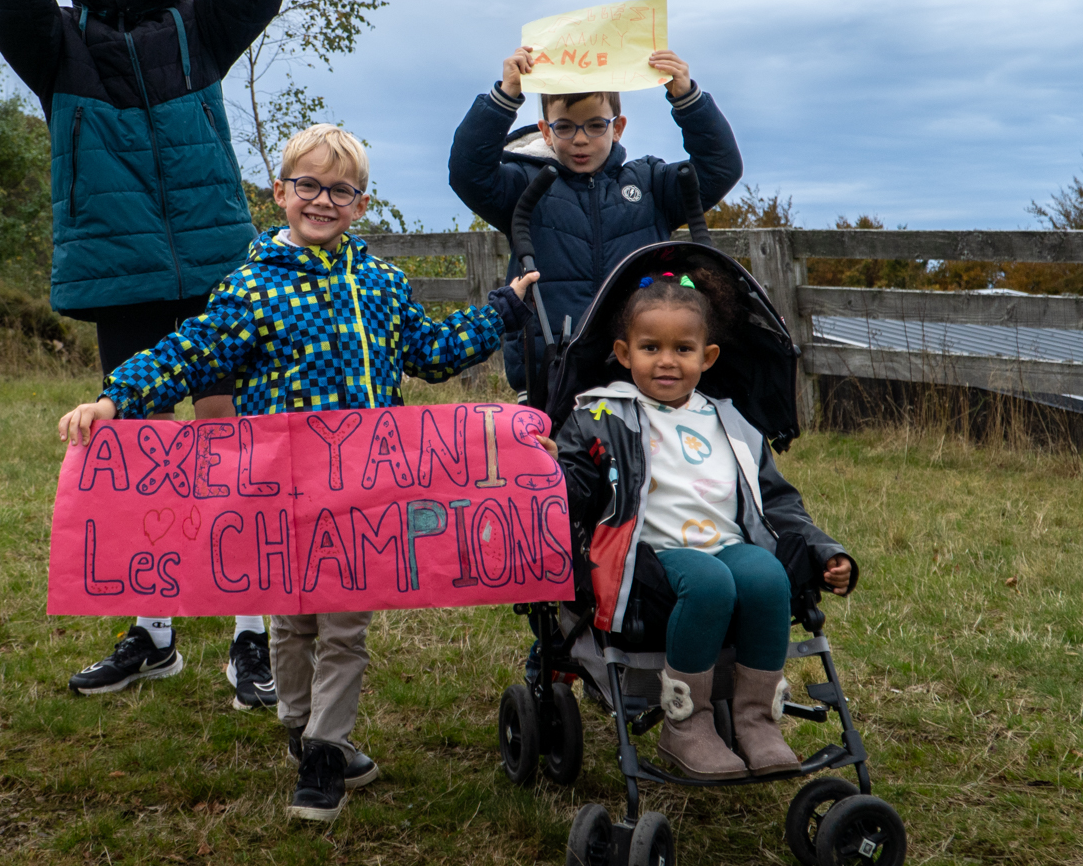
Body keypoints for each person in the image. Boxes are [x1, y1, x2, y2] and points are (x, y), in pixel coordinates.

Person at [57, 123, 541, 823]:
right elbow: (188, 353)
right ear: (281, 193)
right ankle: (299, 722)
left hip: (365, 494)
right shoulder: (250, 288)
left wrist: (503, 311)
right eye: (308, 185)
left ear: (361, 204)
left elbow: (431, 353)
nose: (323, 200)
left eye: (340, 190)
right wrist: (114, 400)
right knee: (290, 623)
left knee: (345, 628)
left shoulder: (380, 284)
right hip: (278, 494)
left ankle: (323, 751)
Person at [0, 0, 289, 707]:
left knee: (231, 449)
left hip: (218, 279)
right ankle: (153, 636)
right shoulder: (54, 48)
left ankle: (252, 637)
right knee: (140, 459)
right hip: (123, 282)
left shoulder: (199, 34)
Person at [554, 267, 856, 778]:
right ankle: (686, 723)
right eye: (650, 348)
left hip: (727, 543)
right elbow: (576, 493)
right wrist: (549, 470)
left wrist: (825, 550)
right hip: (652, 556)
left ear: (707, 357)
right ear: (624, 353)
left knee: (768, 577)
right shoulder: (601, 416)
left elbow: (777, 501)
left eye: (683, 349)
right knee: (710, 582)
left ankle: (755, 719)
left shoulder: (732, 422)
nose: (666, 361)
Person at [447, 45, 743, 396]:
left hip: (641, 380)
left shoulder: (651, 184)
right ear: (545, 131)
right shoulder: (526, 187)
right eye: (565, 127)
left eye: (595, 125)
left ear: (618, 128)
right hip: (549, 381)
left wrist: (688, 99)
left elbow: (719, 169)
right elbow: (468, 175)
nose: (580, 139)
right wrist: (504, 97)